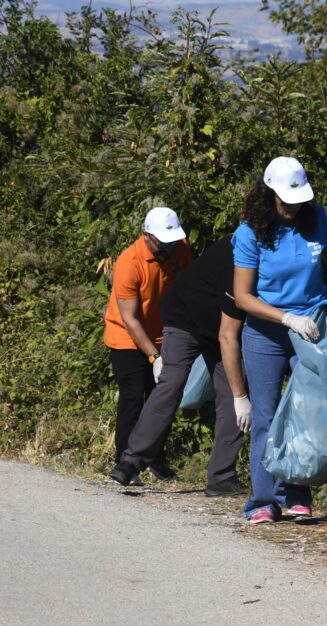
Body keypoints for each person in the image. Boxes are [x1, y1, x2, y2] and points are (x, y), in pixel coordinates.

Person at [233, 157, 327, 524]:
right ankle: (264, 500)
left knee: (305, 411)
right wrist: (286, 318)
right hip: (267, 333)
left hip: (312, 327)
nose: (291, 206)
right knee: (267, 417)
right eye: (284, 200)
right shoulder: (250, 232)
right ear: (268, 194)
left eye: (296, 199)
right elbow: (242, 296)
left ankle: (297, 493)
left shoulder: (316, 219)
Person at [108, 236, 250, 496]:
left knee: (233, 391)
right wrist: (154, 357)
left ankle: (221, 476)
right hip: (184, 319)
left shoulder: (187, 249)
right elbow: (129, 317)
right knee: (170, 385)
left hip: (220, 328)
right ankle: (130, 462)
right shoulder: (239, 257)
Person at [103, 207, 192, 481]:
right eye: (162, 243)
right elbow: (129, 319)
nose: (168, 248)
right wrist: (154, 357)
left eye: (172, 241)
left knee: (163, 399)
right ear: (146, 236)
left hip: (164, 333)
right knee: (133, 397)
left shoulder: (180, 248)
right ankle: (124, 460)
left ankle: (154, 458)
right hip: (126, 336)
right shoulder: (129, 262)